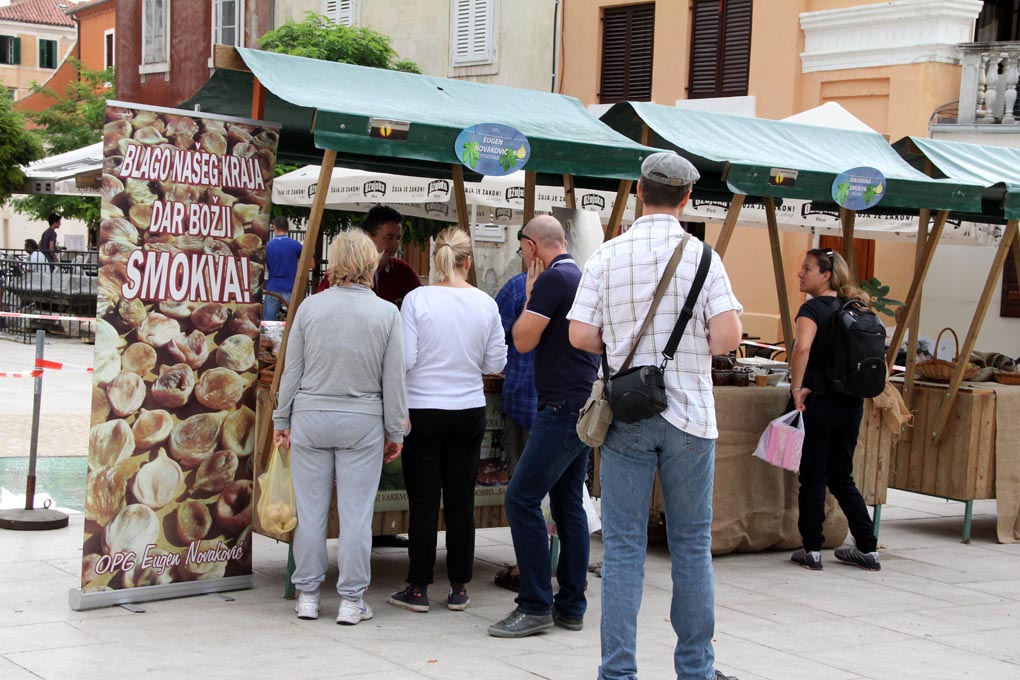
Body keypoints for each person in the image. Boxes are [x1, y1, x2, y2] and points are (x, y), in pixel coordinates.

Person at [568, 151, 743, 680]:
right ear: (687, 198)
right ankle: (695, 668)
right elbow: (729, 336)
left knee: (623, 548)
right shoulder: (705, 258)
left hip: (627, 413)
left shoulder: (606, 255)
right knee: (691, 544)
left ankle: (617, 671)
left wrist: (621, 342)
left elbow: (580, 334)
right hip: (690, 413)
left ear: (640, 192)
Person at [272, 229, 407, 625]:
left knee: (311, 513)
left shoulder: (310, 308)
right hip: (362, 422)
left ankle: (308, 595)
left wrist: (282, 420)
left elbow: (290, 371)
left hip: (311, 417)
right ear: (370, 263)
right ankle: (351, 599)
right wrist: (395, 431)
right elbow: (393, 380)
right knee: (355, 514)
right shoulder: (386, 313)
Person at [488, 215, 598, 639]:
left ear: (532, 247)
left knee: (520, 497)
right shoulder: (582, 276)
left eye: (521, 250)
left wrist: (531, 295)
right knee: (568, 504)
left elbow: (522, 340)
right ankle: (571, 605)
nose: (522, 258)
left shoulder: (552, 281)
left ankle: (534, 603)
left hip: (561, 409)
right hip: (582, 404)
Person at [388, 227, 506, 613]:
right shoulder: (485, 303)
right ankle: (459, 586)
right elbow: (495, 363)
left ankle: (419, 587)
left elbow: (405, 359)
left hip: (423, 408)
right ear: (467, 261)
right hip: (468, 409)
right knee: (461, 501)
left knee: (423, 501)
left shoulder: (417, 299)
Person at [788, 247, 881, 572]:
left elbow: (803, 347)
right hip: (851, 402)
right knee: (842, 476)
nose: (801, 273)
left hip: (821, 399)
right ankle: (868, 548)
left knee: (813, 477)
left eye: (807, 268)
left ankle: (811, 549)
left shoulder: (812, 309)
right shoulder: (855, 308)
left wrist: (797, 388)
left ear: (825, 275)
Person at [492, 270, 538, 593]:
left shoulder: (517, 287)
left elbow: (493, 334)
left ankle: (526, 568)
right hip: (566, 402)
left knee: (522, 491)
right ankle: (558, 566)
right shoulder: (579, 280)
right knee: (563, 495)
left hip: (525, 398)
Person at [315, 205, 421, 304]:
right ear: (367, 237)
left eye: (398, 238)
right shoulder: (343, 269)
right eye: (389, 237)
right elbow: (320, 304)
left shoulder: (401, 270)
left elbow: (421, 300)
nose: (395, 244)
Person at [264, 216, 302, 321]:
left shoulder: (268, 246)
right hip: (290, 287)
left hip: (272, 287)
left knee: (268, 323)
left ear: (273, 227)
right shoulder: (295, 245)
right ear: (288, 228)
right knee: (294, 322)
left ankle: (268, 338)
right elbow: (311, 264)